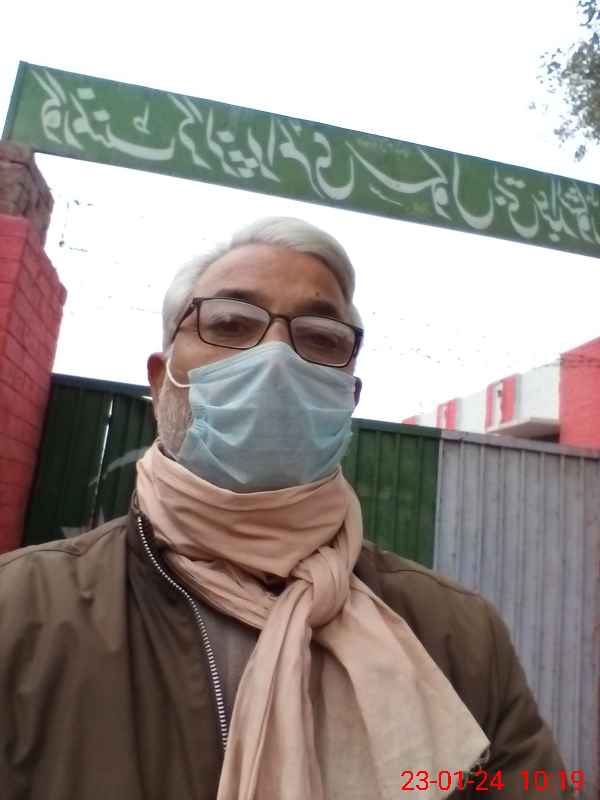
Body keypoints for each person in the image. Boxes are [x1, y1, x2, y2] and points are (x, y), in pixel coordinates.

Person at [0, 217, 568, 799]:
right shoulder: (19, 614)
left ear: (347, 398)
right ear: (160, 378)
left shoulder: (458, 637)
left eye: (320, 337)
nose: (276, 358)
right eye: (230, 323)